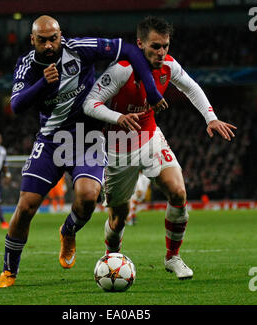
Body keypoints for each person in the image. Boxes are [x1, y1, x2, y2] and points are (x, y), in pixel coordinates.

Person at [0, 15, 167, 288]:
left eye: (53, 38)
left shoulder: (80, 48)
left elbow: (131, 50)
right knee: (25, 207)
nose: (49, 45)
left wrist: (153, 92)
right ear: (32, 40)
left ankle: (68, 230)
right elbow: (15, 105)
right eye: (42, 40)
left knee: (87, 197)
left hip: (89, 138)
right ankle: (8, 271)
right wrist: (42, 85)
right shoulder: (27, 65)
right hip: (51, 141)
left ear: (61, 35)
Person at [83, 16, 237, 280]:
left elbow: (192, 87)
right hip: (118, 148)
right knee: (119, 216)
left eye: (165, 45)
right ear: (140, 43)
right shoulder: (121, 69)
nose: (161, 51)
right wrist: (118, 118)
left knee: (178, 192)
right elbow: (90, 103)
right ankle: (112, 258)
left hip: (151, 138)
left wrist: (210, 117)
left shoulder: (168, 65)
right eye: (155, 46)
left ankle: (173, 257)